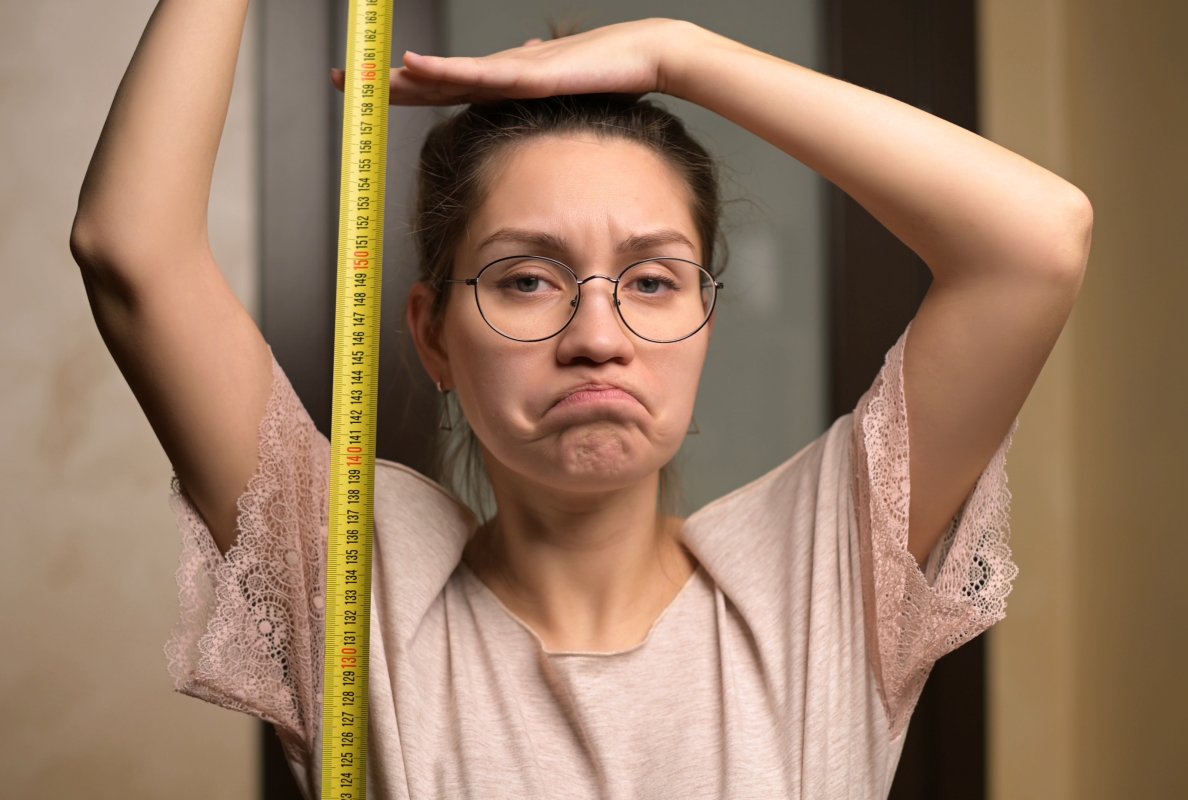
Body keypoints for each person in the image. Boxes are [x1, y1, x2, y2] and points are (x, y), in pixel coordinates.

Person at [69, 4, 1091, 798]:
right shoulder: (349, 574)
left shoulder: (825, 570)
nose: (597, 336)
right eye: (526, 278)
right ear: (432, 334)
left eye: (652, 280)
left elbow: (1036, 240)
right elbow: (131, 248)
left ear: (705, 322)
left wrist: (677, 53)